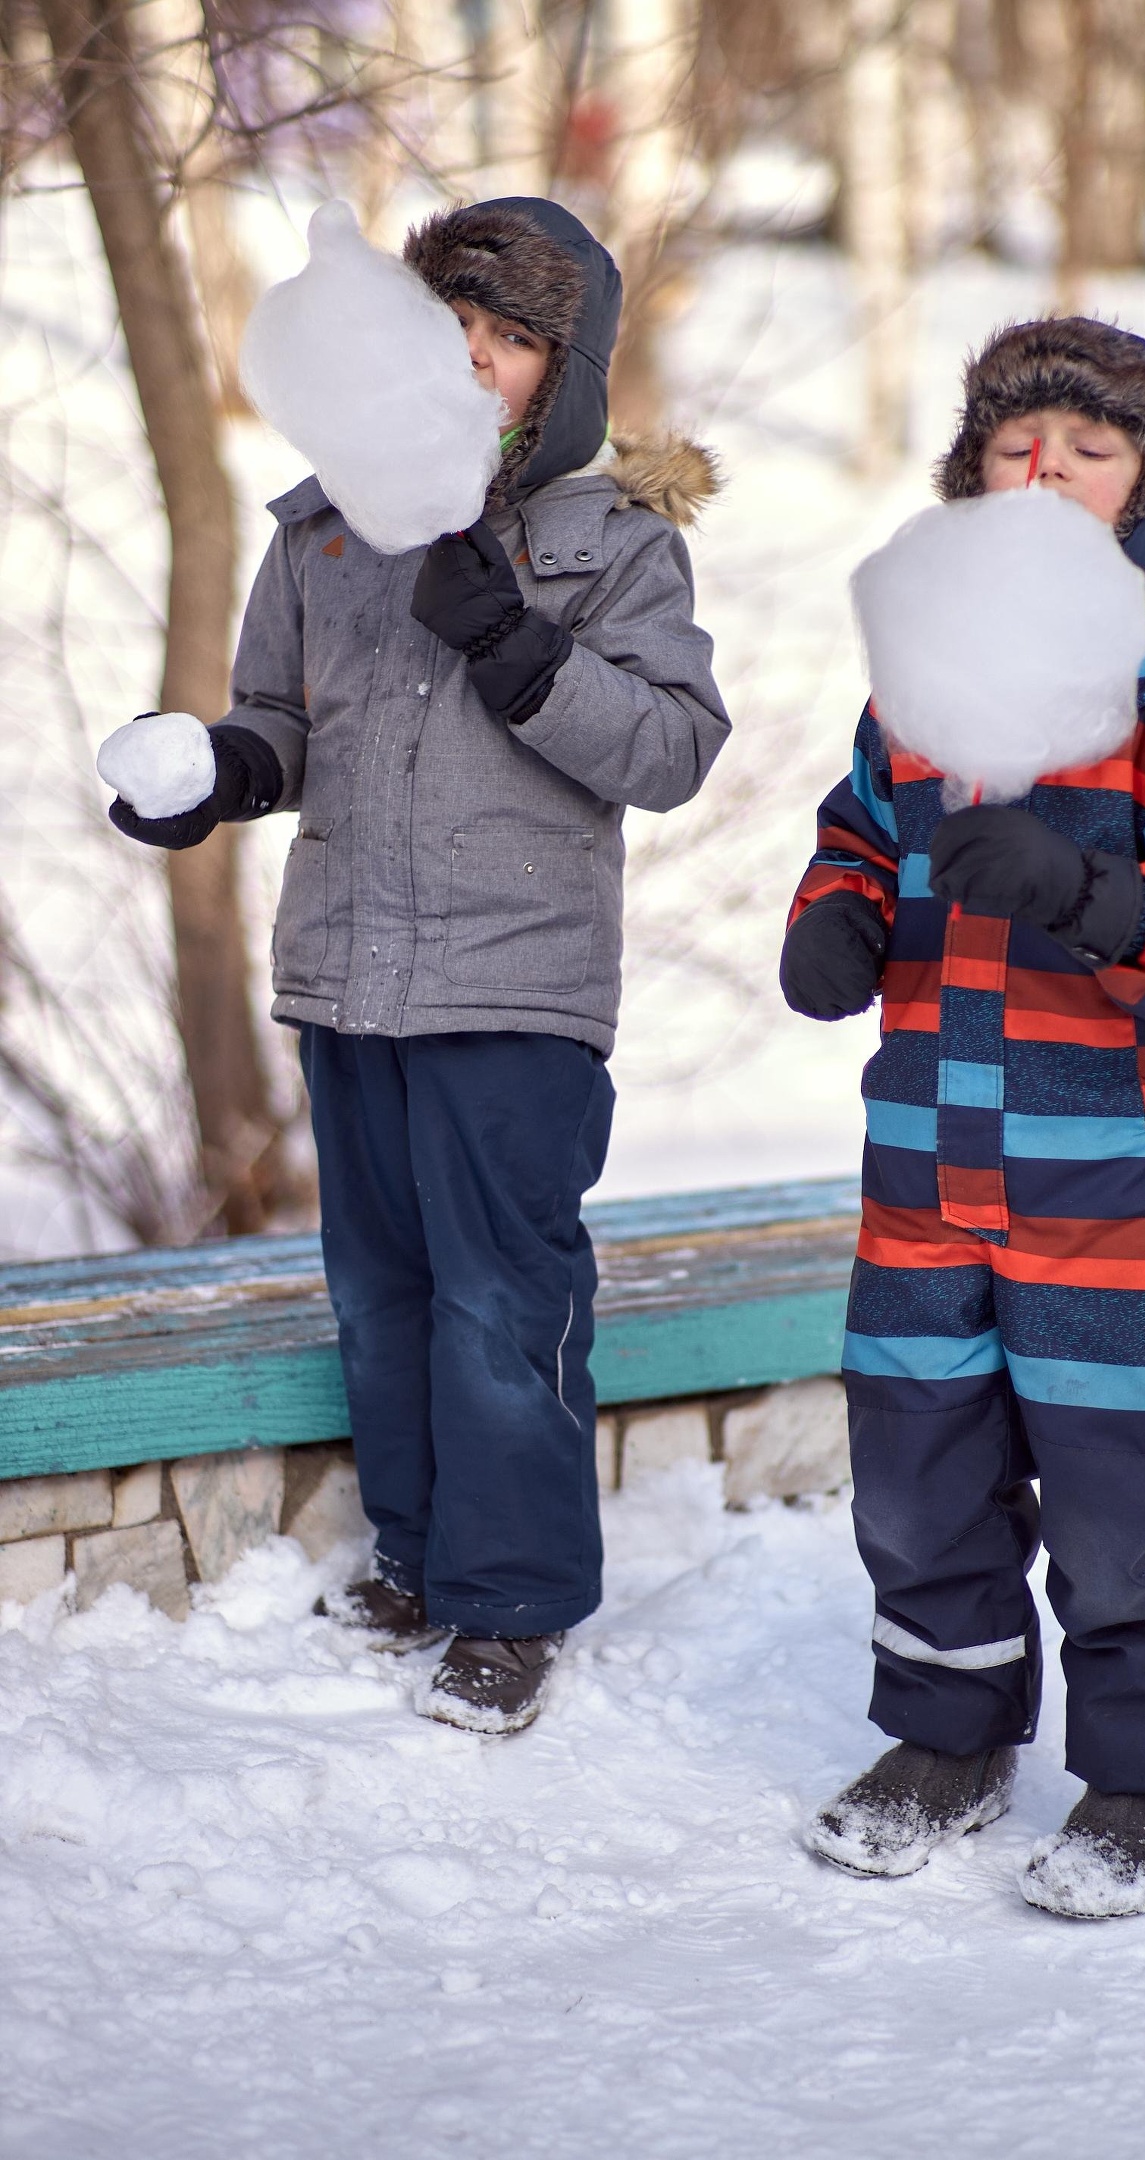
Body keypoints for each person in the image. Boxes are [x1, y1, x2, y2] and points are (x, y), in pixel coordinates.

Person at [107, 198, 730, 1736]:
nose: (473, 360)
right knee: (381, 1294)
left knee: (498, 1303)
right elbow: (283, 720)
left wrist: (519, 647)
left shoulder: (610, 544)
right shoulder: (323, 527)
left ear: (561, 375)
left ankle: (511, 1600)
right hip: (346, 974)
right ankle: (417, 1551)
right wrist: (214, 773)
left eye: (511, 338)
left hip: (511, 994)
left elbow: (671, 748)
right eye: (448, 326)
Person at [779, 317, 1145, 1916]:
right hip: (928, 1163)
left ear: (1143, 483)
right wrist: (834, 918)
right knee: (917, 1471)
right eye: (1017, 449)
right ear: (975, 473)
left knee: (1119, 1485)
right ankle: (948, 1736)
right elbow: (853, 838)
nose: (1049, 472)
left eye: (1090, 448)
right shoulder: (917, 699)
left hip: (1106, 1180)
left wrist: (1086, 891)